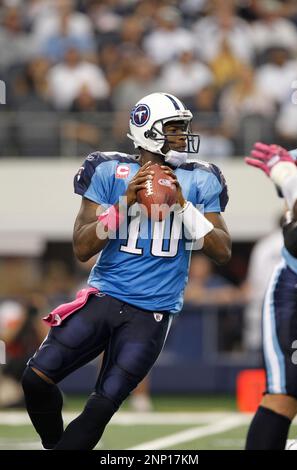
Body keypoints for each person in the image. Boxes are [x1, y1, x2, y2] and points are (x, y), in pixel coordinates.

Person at [22, 92, 231, 450]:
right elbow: (82, 247)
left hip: (151, 314)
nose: (184, 136)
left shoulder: (202, 179)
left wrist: (183, 207)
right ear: (149, 131)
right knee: (35, 380)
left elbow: (222, 251)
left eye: (183, 128)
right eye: (175, 129)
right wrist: (123, 205)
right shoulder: (108, 170)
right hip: (104, 297)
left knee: (100, 406)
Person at [244, 142, 297, 450]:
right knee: (284, 397)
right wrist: (291, 181)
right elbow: (296, 238)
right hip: (296, 287)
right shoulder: (295, 161)